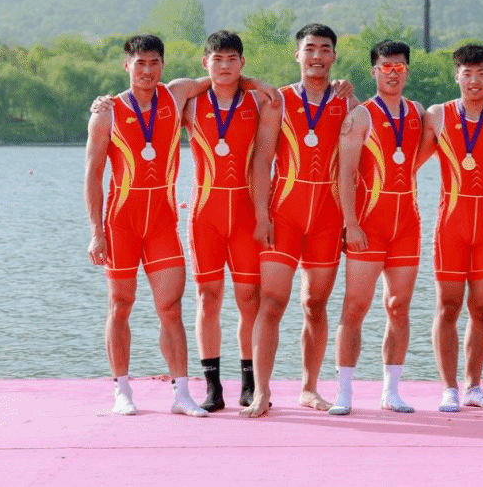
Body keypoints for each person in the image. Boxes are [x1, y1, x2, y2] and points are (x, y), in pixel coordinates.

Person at [84, 33, 268, 417]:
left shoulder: (177, 94)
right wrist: (96, 232)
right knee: (121, 304)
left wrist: (258, 82)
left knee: (170, 308)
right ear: (127, 66)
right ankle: (122, 389)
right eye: (140, 63)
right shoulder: (107, 112)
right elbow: (93, 175)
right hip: (120, 223)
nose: (147, 70)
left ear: (163, 66)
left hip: (162, 225)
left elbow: (221, 77)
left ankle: (182, 393)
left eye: (154, 63)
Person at [242, 24, 353, 417]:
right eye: (310, 49)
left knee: (315, 304)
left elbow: (360, 156)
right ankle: (261, 392)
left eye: (324, 49)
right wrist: (261, 215)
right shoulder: (280, 101)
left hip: (327, 214)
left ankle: (309, 389)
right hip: (284, 213)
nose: (317, 56)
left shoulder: (346, 103)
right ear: (298, 55)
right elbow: (261, 162)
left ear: (334, 56)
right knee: (272, 302)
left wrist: (353, 96)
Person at [417, 43, 483, 413]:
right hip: (451, 226)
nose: (474, 81)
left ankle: (474, 386)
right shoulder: (437, 115)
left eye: (481, 74)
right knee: (448, 307)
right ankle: (449, 388)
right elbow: (407, 165)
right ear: (456, 76)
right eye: (467, 73)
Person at [329, 40, 425, 416]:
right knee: (355, 307)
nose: (393, 73)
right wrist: (350, 223)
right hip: (368, 225)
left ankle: (391, 391)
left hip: (407, 226)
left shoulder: (418, 112)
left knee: (398, 307)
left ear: (407, 71)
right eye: (386, 67)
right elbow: (346, 175)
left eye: (399, 67)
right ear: (374, 72)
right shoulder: (361, 116)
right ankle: (344, 391)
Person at [183, 30, 269, 412]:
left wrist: (264, 215)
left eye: (232, 59)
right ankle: (212, 387)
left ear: (242, 63)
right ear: (205, 62)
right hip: (205, 213)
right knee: (208, 297)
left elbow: (266, 158)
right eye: (217, 59)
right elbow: (158, 92)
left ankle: (249, 384)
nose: (224, 66)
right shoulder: (189, 103)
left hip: (246, 213)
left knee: (249, 298)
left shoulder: (257, 101)